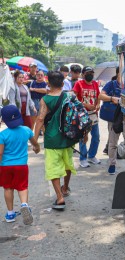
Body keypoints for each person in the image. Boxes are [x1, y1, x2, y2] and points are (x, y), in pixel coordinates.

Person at [33, 71, 80, 210]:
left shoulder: (45, 100)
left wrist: (35, 141)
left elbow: (40, 119)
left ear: (48, 82)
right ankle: (65, 188)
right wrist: (83, 134)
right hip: (68, 137)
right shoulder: (69, 96)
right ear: (62, 82)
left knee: (53, 168)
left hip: (52, 139)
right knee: (67, 164)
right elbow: (79, 114)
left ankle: (59, 197)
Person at [0, 105, 40, 224]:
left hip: (5, 166)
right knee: (22, 187)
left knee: (8, 188)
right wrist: (36, 148)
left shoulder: (2, 135)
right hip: (21, 165)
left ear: (4, 120)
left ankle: (10, 214)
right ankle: (24, 204)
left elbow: (0, 152)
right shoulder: (26, 130)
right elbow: (35, 144)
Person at [73, 66, 101, 168]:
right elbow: (74, 98)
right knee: (83, 137)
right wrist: (86, 105)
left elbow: (98, 96)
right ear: (83, 74)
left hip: (93, 114)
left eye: (92, 73)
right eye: (88, 72)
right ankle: (83, 158)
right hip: (82, 115)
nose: (90, 74)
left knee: (96, 136)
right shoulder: (78, 84)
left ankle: (91, 156)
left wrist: (98, 105)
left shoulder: (95, 84)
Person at [98, 70, 121, 174]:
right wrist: (112, 98)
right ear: (118, 73)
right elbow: (100, 96)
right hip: (115, 118)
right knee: (113, 142)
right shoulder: (111, 84)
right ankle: (112, 164)